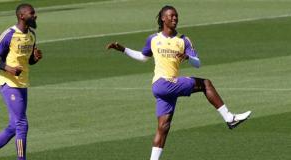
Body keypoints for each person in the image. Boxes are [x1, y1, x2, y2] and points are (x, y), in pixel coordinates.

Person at [106, 5, 251, 160]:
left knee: (163, 128)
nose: (175, 18)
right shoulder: (153, 39)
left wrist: (189, 57)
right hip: (162, 83)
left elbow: (197, 63)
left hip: (166, 88)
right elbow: (143, 57)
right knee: (206, 84)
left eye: (176, 16)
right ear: (163, 18)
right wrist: (122, 49)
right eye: (171, 16)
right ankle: (229, 118)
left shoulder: (183, 40)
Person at [0, 3, 42, 160]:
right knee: (22, 124)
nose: (35, 15)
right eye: (32, 13)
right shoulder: (8, 34)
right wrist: (9, 69)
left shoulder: (31, 35)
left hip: (22, 83)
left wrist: (35, 59)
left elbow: (28, 61)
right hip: (9, 83)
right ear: (22, 16)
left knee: (14, 125)